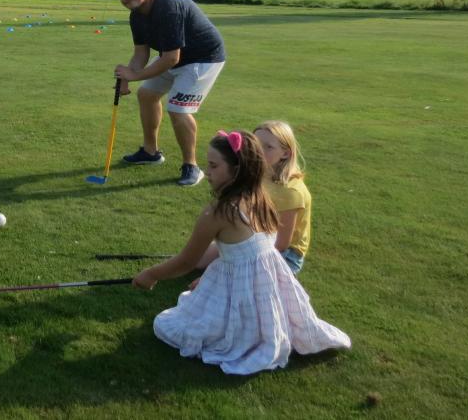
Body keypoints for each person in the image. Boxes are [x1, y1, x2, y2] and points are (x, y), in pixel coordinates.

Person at [132, 131, 350, 375]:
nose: (207, 172)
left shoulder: (218, 213)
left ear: (237, 170)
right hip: (267, 287)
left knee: (169, 325)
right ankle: (258, 327)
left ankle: (245, 332)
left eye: (214, 166)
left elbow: (186, 261)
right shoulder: (259, 197)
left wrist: (151, 274)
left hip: (242, 286)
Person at [112, 0, 226, 186]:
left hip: (204, 58)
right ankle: (150, 152)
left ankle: (191, 166)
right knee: (146, 94)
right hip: (176, 57)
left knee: (178, 108)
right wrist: (127, 75)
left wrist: (134, 75)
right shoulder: (136, 15)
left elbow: (171, 58)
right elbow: (141, 53)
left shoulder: (167, 7)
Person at [255, 120, 312, 274]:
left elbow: (281, 243)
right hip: (260, 237)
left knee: (236, 273)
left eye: (268, 147)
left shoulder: (290, 191)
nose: (259, 150)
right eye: (256, 143)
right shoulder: (261, 173)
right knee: (203, 257)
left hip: (286, 255)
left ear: (285, 153)